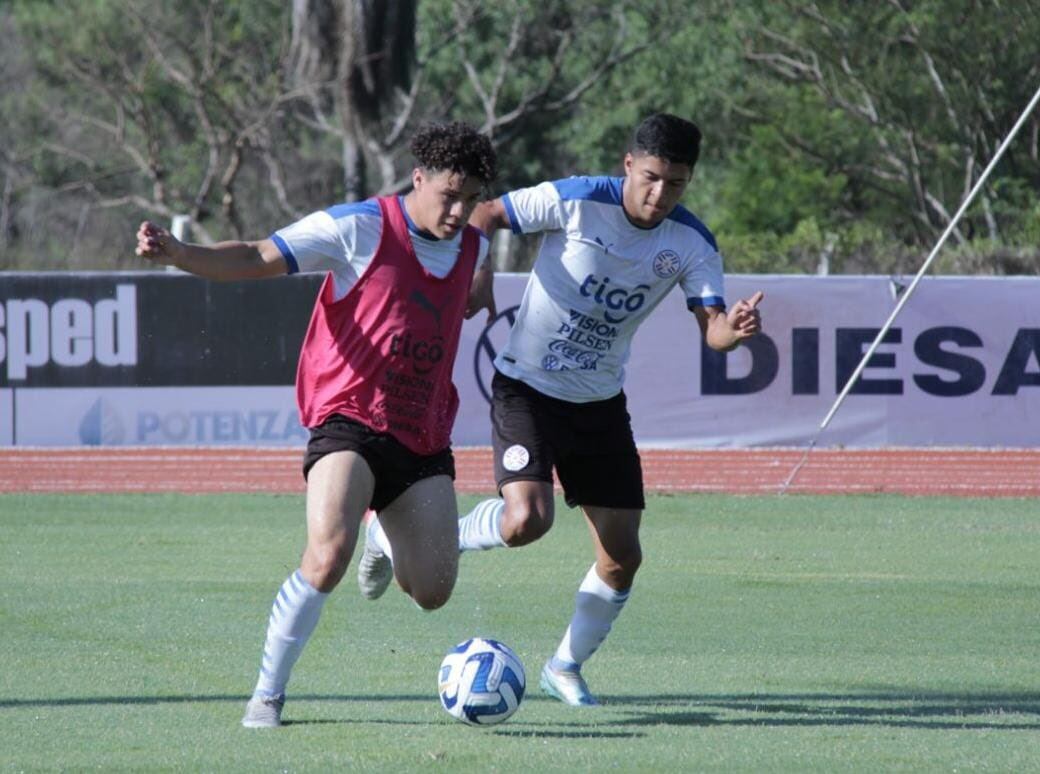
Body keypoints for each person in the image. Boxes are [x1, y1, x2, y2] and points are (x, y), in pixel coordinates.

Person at [358, 113, 763, 706]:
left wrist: (736, 330)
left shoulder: (691, 244)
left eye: (675, 184)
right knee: (526, 520)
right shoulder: (576, 200)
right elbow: (485, 211)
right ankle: (396, 539)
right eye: (650, 178)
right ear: (628, 165)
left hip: (599, 405)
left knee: (623, 556)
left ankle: (564, 667)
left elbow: (714, 332)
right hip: (526, 388)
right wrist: (483, 266)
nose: (659, 194)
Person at [135, 121, 498, 727]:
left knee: (433, 593)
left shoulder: (476, 248)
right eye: (449, 196)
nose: (460, 211)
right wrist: (179, 254)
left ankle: (383, 536)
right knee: (328, 554)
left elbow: (467, 291)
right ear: (419, 178)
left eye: (471, 198)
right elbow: (256, 256)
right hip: (349, 419)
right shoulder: (357, 226)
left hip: (423, 434)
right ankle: (267, 695)